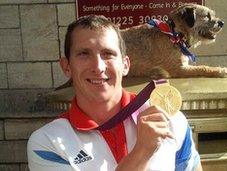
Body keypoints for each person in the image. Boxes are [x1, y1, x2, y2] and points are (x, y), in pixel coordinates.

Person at [27, 15, 202, 171]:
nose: (98, 67)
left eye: (108, 54)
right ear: (66, 67)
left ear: (125, 65)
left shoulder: (172, 120)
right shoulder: (47, 142)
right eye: (83, 54)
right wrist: (142, 151)